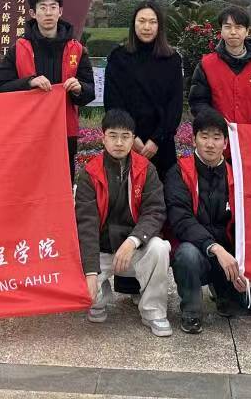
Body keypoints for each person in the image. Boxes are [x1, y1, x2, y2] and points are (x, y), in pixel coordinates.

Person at [166, 106, 251, 333]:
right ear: (194, 140)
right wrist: (215, 248)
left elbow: (249, 224)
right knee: (186, 254)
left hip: (229, 257)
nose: (210, 144)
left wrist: (244, 267)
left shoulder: (237, 174)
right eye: (204, 137)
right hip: (199, 252)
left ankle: (224, 293)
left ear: (226, 143)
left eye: (216, 138)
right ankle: (191, 311)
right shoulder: (179, 172)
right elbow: (181, 220)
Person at [73, 108, 173, 337]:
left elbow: (155, 212)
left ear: (133, 139)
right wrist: (90, 273)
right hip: (102, 250)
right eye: (113, 136)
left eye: (125, 136)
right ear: (103, 138)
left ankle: (153, 312)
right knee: (82, 274)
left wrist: (133, 241)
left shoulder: (146, 169)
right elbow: (86, 225)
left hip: (133, 249)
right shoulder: (90, 173)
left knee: (159, 248)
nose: (119, 142)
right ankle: (100, 296)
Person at [0, 0, 96, 176]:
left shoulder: (77, 49)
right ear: (33, 13)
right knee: (28, 182)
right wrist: (29, 82)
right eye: (43, 7)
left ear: (60, 11)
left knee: (62, 181)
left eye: (53, 7)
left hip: (65, 132)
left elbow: (90, 92)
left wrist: (79, 88)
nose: (48, 13)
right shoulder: (18, 49)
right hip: (27, 133)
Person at [102, 0, 185, 182]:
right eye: (142, 21)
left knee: (163, 193)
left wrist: (156, 140)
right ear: (134, 24)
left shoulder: (172, 60)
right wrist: (132, 137)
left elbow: (175, 105)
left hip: (162, 145)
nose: (147, 27)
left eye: (152, 22)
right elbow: (113, 102)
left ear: (159, 26)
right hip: (125, 143)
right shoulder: (118, 58)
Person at [187, 5, 251, 126]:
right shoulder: (206, 65)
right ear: (221, 31)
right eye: (227, 27)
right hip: (219, 134)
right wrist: (215, 120)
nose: (233, 32)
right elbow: (197, 102)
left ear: (247, 31)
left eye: (238, 27)